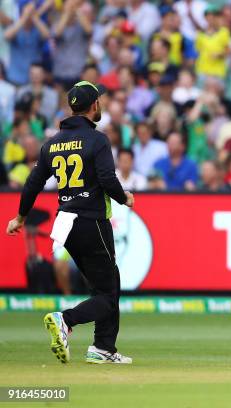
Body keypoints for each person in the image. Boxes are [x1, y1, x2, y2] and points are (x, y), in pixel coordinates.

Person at [5, 80, 134, 364]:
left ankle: (103, 348)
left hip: (65, 223)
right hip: (91, 221)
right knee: (109, 295)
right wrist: (124, 198)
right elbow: (107, 179)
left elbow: (32, 184)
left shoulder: (52, 143)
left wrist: (20, 217)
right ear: (94, 106)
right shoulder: (97, 140)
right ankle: (66, 320)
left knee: (106, 284)